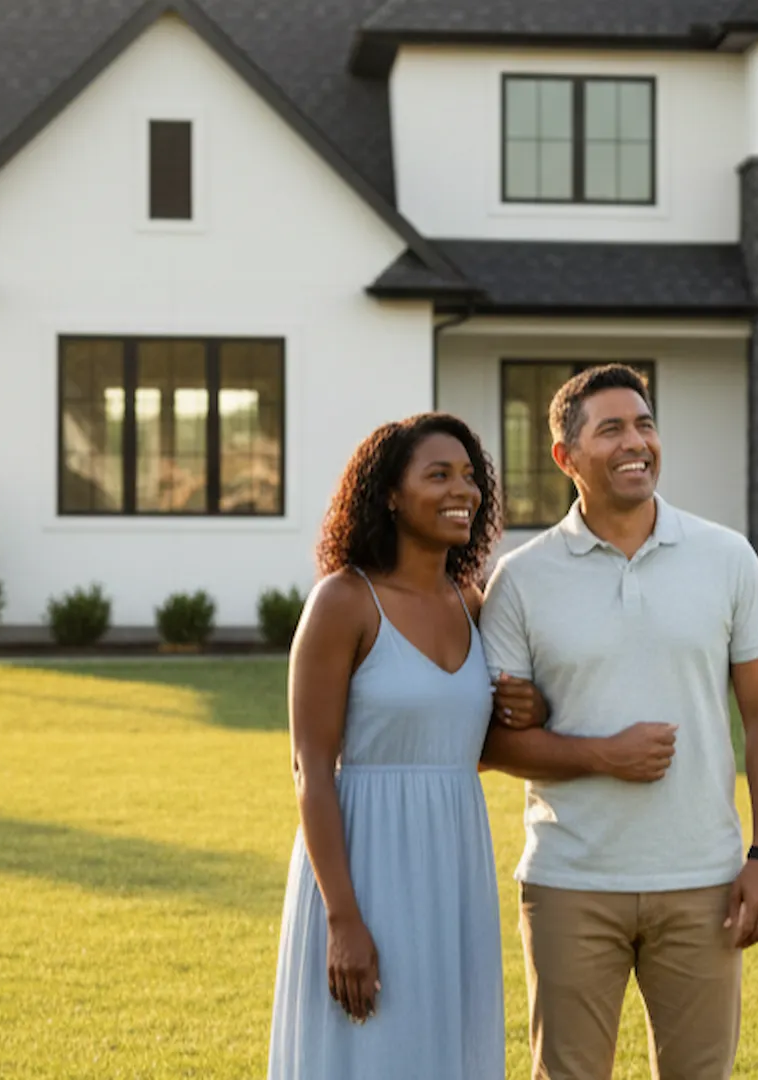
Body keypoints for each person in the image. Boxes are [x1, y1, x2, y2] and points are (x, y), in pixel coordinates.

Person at [478, 364, 758, 1080]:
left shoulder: (725, 557)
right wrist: (601, 756)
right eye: (612, 428)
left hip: (703, 882)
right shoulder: (522, 579)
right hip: (570, 882)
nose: (636, 442)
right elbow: (492, 739)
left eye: (645, 424)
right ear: (566, 457)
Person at [268, 412, 544, 1079]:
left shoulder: (472, 603)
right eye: (439, 475)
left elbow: (482, 735)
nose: (464, 491)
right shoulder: (344, 602)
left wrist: (527, 708)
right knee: (368, 1050)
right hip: (364, 863)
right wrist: (343, 919)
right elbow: (311, 767)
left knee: (440, 1046)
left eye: (471, 477)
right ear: (390, 494)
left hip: (454, 857)